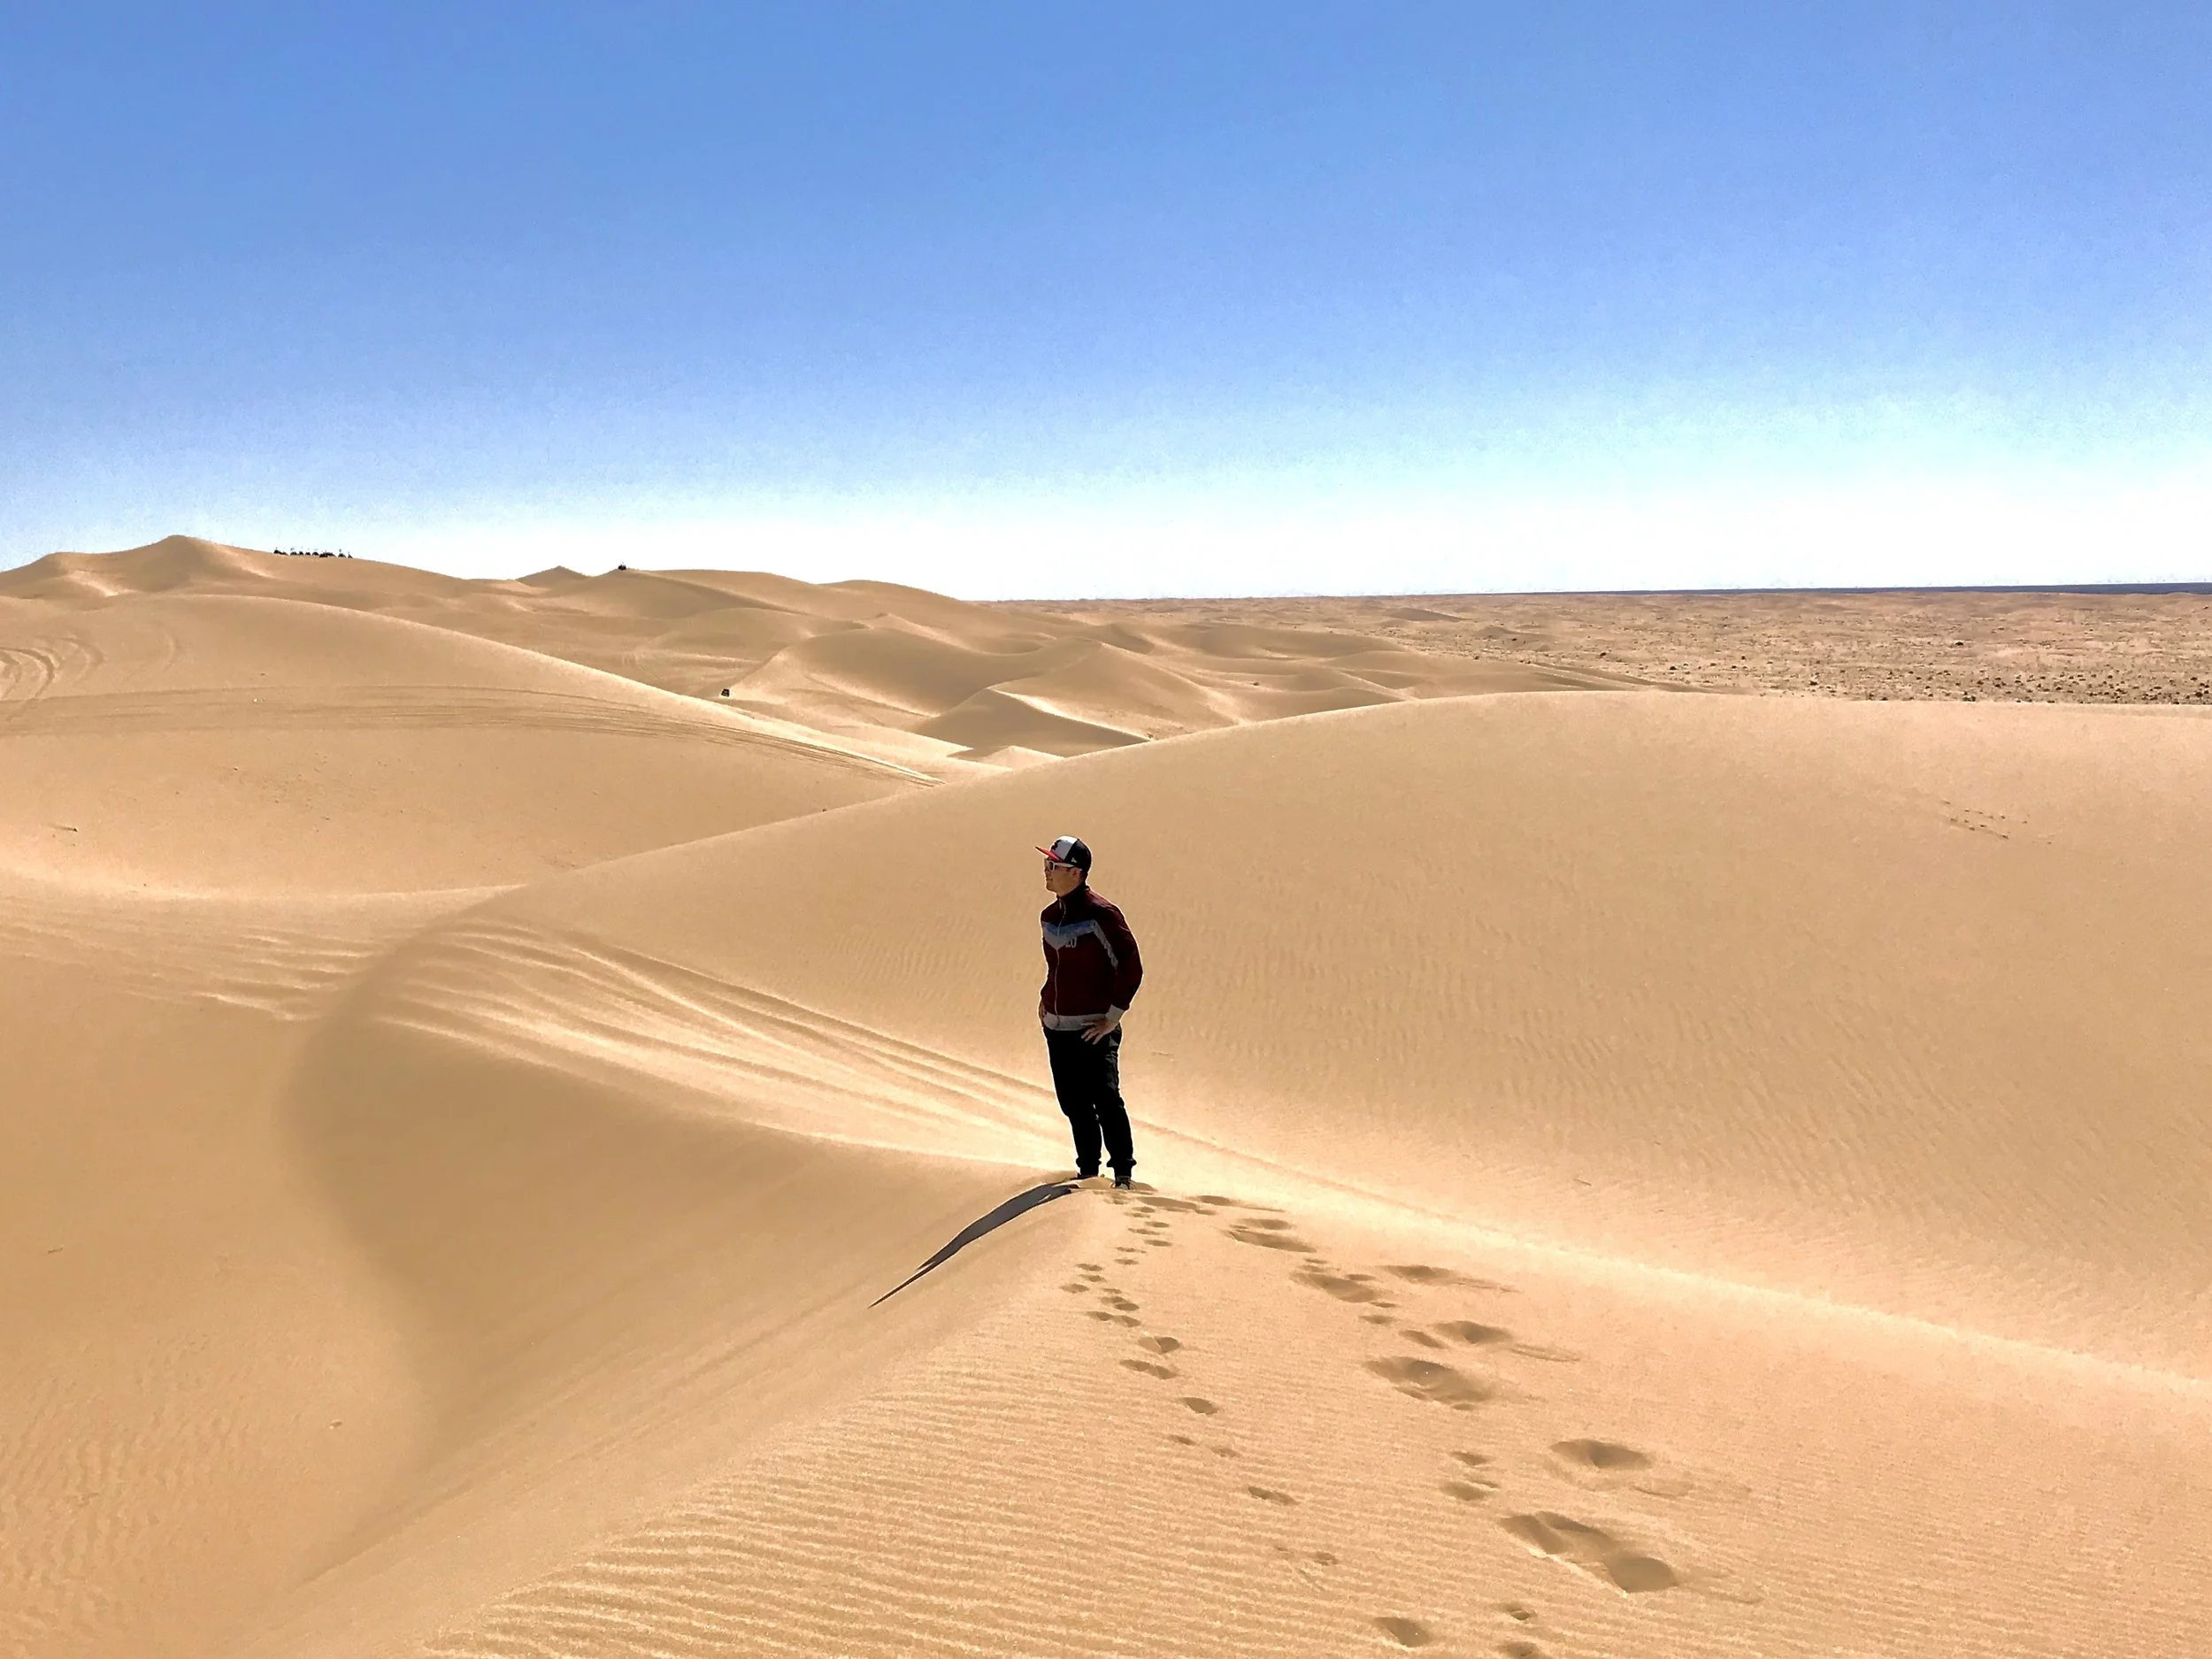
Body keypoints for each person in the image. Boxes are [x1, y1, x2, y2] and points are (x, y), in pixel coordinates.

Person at [1036, 835, 1143, 1188]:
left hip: (1093, 1028)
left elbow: (1130, 965)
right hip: (1057, 1027)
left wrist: (1113, 1016)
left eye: (1055, 866)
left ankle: (1123, 1175)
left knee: (1106, 1099)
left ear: (1077, 873)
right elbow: (1056, 968)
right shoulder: (1049, 916)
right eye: (1047, 864)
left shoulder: (1102, 915)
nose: (1046, 872)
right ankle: (1087, 1170)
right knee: (1073, 1103)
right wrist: (1045, 1000)